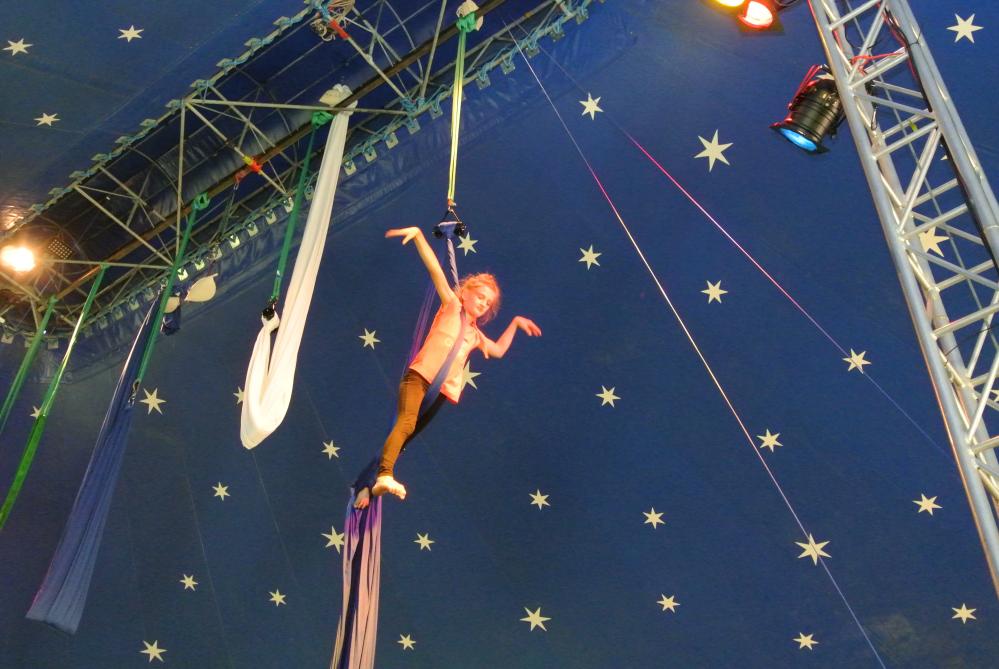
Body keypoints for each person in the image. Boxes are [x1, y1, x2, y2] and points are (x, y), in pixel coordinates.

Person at [353, 226, 542, 509]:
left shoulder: (475, 335)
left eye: (488, 303)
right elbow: (435, 270)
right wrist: (418, 236)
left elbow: (498, 351)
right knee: (405, 424)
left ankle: (366, 485)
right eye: (480, 296)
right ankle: (384, 475)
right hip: (420, 378)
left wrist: (514, 323)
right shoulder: (452, 305)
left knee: (405, 436)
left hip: (440, 392)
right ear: (465, 292)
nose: (483, 303)